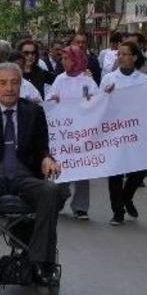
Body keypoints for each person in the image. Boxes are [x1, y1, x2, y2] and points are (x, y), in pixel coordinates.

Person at [0, 62, 68, 285]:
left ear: (21, 85)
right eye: (3, 83)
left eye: (14, 83)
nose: (9, 88)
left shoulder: (34, 111)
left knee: (52, 190)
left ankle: (41, 264)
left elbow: (42, 149)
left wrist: (47, 159)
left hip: (25, 175)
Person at [100, 41, 147, 225]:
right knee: (115, 173)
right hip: (115, 133)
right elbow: (99, 107)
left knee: (139, 171)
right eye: (119, 54)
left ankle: (126, 196)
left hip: (136, 133)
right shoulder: (109, 79)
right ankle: (117, 211)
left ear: (134, 57)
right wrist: (106, 95)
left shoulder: (144, 80)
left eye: (125, 54)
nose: (121, 58)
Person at [47, 45, 99, 220]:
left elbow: (96, 101)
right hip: (64, 134)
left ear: (76, 59)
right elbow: (50, 100)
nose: (64, 61)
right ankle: (59, 199)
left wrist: (90, 101)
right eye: (62, 58)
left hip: (82, 133)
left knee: (82, 172)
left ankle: (81, 207)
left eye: (67, 58)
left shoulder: (87, 80)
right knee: (61, 169)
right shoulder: (60, 79)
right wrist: (53, 99)